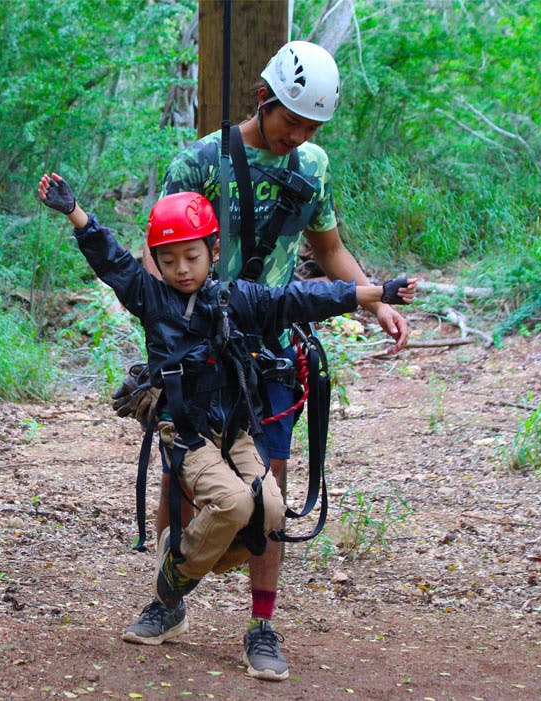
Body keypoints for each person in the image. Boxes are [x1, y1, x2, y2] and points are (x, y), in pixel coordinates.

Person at [117, 41, 417, 680]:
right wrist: (164, 348)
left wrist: (375, 303)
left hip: (270, 357)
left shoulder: (312, 168)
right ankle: (168, 601)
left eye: (313, 126)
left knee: (268, 488)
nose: (300, 135)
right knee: (182, 478)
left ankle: (262, 623)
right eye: (293, 121)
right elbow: (158, 258)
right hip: (197, 358)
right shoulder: (199, 161)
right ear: (264, 100)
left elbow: (328, 247)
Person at [37, 179, 414, 680]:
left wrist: (376, 294)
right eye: (168, 260)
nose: (181, 270)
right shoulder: (150, 297)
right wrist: (76, 213)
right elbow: (111, 261)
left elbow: (302, 299)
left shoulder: (240, 299)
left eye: (191, 257)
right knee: (235, 504)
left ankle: (253, 621)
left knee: (272, 507)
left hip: (235, 431)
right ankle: (174, 582)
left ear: (213, 251)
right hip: (185, 431)